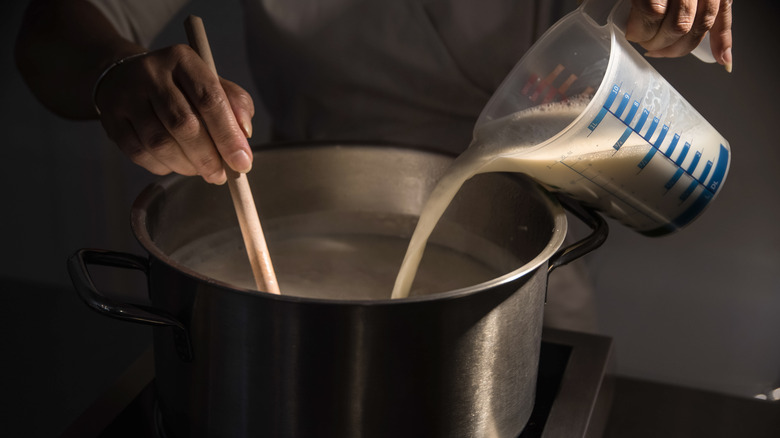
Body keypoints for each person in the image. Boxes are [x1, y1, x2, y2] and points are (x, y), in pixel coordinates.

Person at [15, 0, 733, 331]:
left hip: (526, 278)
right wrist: (116, 78)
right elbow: (50, 28)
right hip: (303, 202)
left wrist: (656, 22)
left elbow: (626, 27)